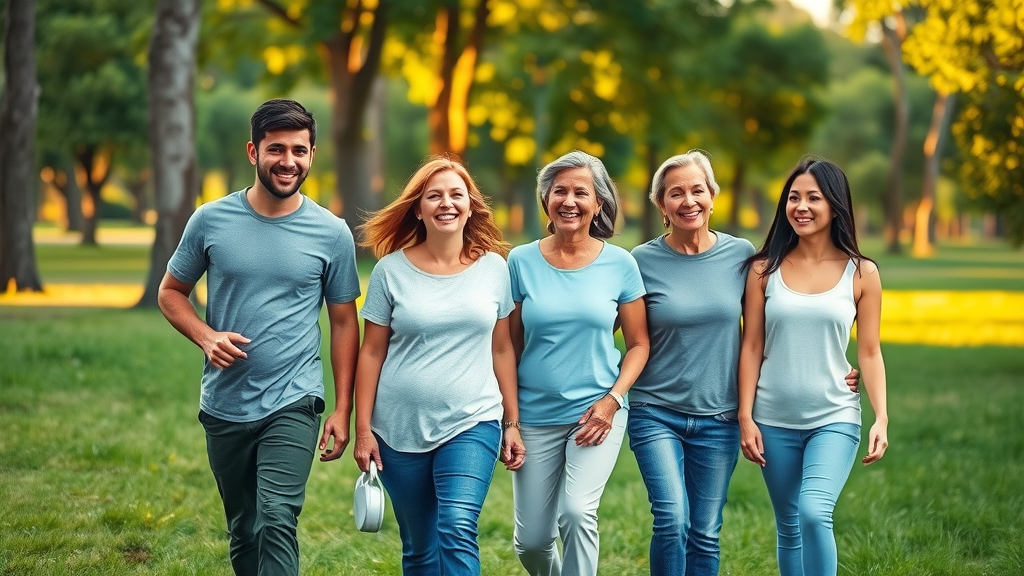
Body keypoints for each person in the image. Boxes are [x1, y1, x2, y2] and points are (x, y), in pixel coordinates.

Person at [158, 98, 361, 576]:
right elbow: (171, 293)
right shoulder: (210, 220)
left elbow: (345, 322)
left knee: (276, 518)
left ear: (313, 154)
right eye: (276, 149)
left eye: (299, 150)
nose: (288, 161)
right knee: (244, 527)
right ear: (253, 152)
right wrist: (206, 337)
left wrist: (343, 408)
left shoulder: (331, 233)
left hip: (295, 399)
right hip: (225, 402)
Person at [352, 156, 526, 575]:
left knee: (457, 525)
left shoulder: (494, 269)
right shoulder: (390, 271)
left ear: (470, 205)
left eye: (455, 194)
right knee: (419, 548)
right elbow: (371, 352)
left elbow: (502, 349)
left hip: (473, 420)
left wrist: (512, 422)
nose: (446, 203)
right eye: (434, 196)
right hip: (397, 428)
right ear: (418, 207)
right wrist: (363, 430)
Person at [738, 157, 889, 576]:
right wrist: (745, 416)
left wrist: (882, 418)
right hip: (773, 418)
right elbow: (751, 346)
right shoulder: (762, 269)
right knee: (789, 528)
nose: (800, 207)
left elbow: (870, 351)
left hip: (834, 416)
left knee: (813, 512)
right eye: (793, 197)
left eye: (813, 198)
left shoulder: (862, 272)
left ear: (836, 206)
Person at [508, 150, 650, 576]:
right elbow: (508, 348)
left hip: (595, 412)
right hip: (534, 414)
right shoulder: (520, 261)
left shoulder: (620, 264)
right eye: (560, 191)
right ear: (546, 200)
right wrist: (510, 419)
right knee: (531, 543)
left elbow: (640, 343)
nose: (569, 201)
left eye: (581, 193)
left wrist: (612, 400)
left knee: (576, 513)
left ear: (598, 204)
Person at [628, 150, 755, 576]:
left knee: (704, 531)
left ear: (713, 196)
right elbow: (604, 327)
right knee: (671, 520)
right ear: (661, 205)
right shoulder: (640, 262)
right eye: (675, 193)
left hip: (720, 417)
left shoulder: (742, 255)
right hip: (654, 411)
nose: (688, 201)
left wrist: (835, 368)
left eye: (697, 189)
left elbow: (762, 335)